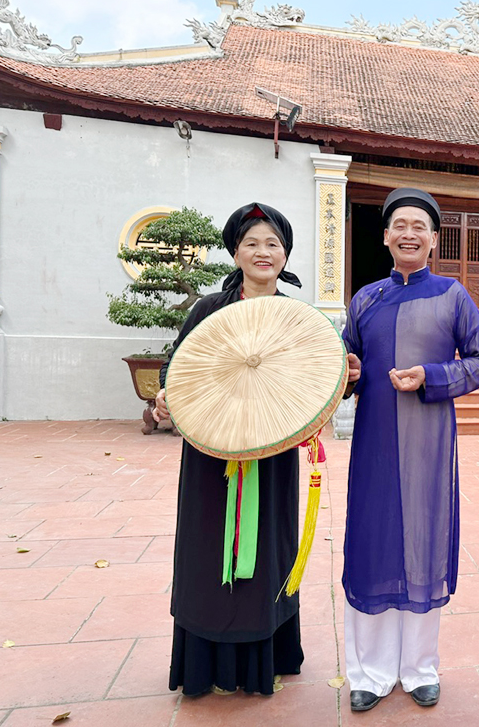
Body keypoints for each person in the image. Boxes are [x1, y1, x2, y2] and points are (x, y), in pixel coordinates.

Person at [154, 203, 360, 696]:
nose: (262, 252)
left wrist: (347, 376)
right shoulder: (208, 311)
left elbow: (321, 380)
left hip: (272, 455)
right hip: (212, 457)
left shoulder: (299, 318)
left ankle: (266, 655)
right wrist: (165, 398)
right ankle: (206, 664)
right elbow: (175, 372)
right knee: (208, 552)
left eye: (272, 243)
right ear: (234, 252)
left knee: (269, 548)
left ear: (285, 254)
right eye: (251, 243)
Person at [340, 187, 479, 712]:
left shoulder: (454, 295)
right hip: (375, 443)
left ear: (433, 239)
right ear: (385, 236)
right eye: (399, 225)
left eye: (419, 226)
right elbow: (344, 368)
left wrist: (431, 376)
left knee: (425, 542)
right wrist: (349, 374)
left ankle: (420, 668)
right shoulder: (365, 299)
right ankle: (368, 672)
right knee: (371, 543)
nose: (409, 233)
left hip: (429, 441)